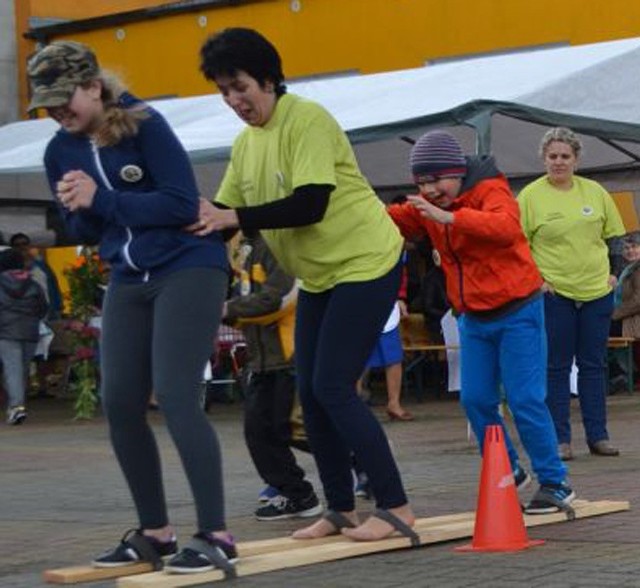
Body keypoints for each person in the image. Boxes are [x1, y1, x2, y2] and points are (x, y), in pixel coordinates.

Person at [195, 28, 415, 543]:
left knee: (334, 386)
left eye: (240, 86)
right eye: (224, 91)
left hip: (366, 260)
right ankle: (339, 509)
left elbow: (310, 202)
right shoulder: (247, 145)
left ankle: (397, 506)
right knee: (310, 391)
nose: (234, 100)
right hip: (319, 274)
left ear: (268, 79)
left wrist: (234, 214)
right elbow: (225, 220)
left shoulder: (307, 120)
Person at [27, 40, 236, 574]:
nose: (57, 113)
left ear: (94, 87)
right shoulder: (59, 151)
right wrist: (79, 207)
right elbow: (86, 228)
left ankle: (215, 533)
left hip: (188, 265)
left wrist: (103, 198)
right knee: (119, 401)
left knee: (175, 394)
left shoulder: (145, 124)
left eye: (63, 99)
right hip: (128, 276)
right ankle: (155, 533)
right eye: (47, 105)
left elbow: (178, 202)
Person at [387, 130, 575, 514]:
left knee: (524, 399)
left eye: (436, 180)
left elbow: (506, 228)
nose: (430, 190)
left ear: (456, 173)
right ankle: (508, 466)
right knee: (474, 398)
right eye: (421, 182)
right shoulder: (429, 203)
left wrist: (450, 217)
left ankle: (555, 482)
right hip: (473, 316)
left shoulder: (491, 190)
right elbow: (390, 220)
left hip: (518, 309)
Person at [519, 127, 625, 461]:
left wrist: (613, 273)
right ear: (543, 158)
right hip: (554, 292)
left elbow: (617, 238)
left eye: (566, 156)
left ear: (576, 159)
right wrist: (536, 280)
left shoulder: (595, 192)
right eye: (553, 156)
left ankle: (599, 436)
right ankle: (560, 440)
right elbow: (516, 246)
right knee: (556, 366)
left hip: (596, 291)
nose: (559, 162)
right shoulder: (529, 197)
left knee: (593, 365)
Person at [223, 233, 322, 520]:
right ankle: (297, 494)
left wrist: (229, 310)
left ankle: (363, 455)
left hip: (289, 355)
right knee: (258, 432)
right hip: (261, 359)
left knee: (294, 428)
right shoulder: (244, 246)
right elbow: (244, 293)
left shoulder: (277, 241)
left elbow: (281, 298)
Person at [0, 249, 49, 425]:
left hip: (5, 332)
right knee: (21, 369)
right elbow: (43, 308)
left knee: (13, 370)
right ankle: (16, 405)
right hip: (30, 332)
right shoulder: (33, 284)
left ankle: (17, 408)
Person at [611, 232, 640, 385]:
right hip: (628, 318)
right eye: (626, 248)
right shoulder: (628, 270)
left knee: (597, 328)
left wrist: (614, 314)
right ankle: (622, 373)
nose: (630, 251)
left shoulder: (637, 269)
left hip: (634, 320)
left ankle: (618, 373)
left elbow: (638, 300)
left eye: (634, 247)